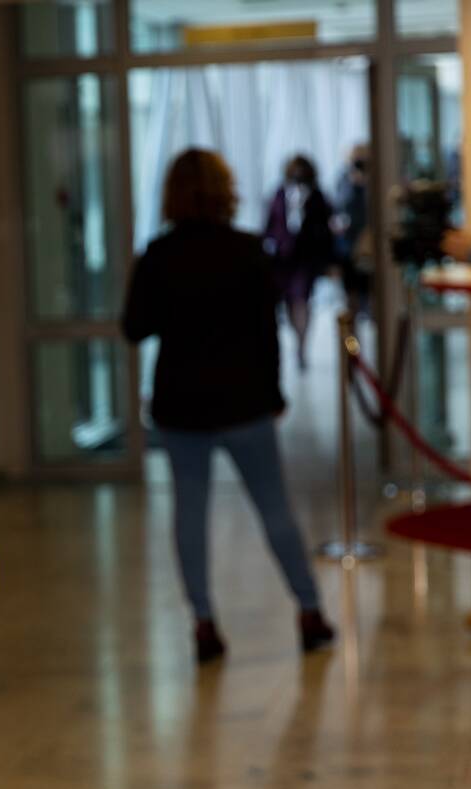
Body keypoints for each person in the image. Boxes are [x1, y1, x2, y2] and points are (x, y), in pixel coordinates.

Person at [122, 149, 334, 665]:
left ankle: (203, 623)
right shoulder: (247, 250)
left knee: (189, 515)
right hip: (244, 401)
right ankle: (309, 611)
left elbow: (135, 326)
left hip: (182, 405)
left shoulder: (159, 255)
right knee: (275, 509)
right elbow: (267, 331)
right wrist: (274, 393)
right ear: (224, 190)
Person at [263, 154, 336, 370]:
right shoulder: (279, 194)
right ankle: (297, 339)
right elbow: (270, 223)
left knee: (301, 299)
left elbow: (326, 228)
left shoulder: (317, 196)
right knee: (289, 303)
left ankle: (302, 346)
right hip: (282, 259)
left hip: (306, 257)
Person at [333, 145, 373, 316]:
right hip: (349, 245)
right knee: (351, 295)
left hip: (369, 243)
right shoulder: (344, 179)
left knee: (371, 291)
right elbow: (339, 207)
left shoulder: (376, 178)